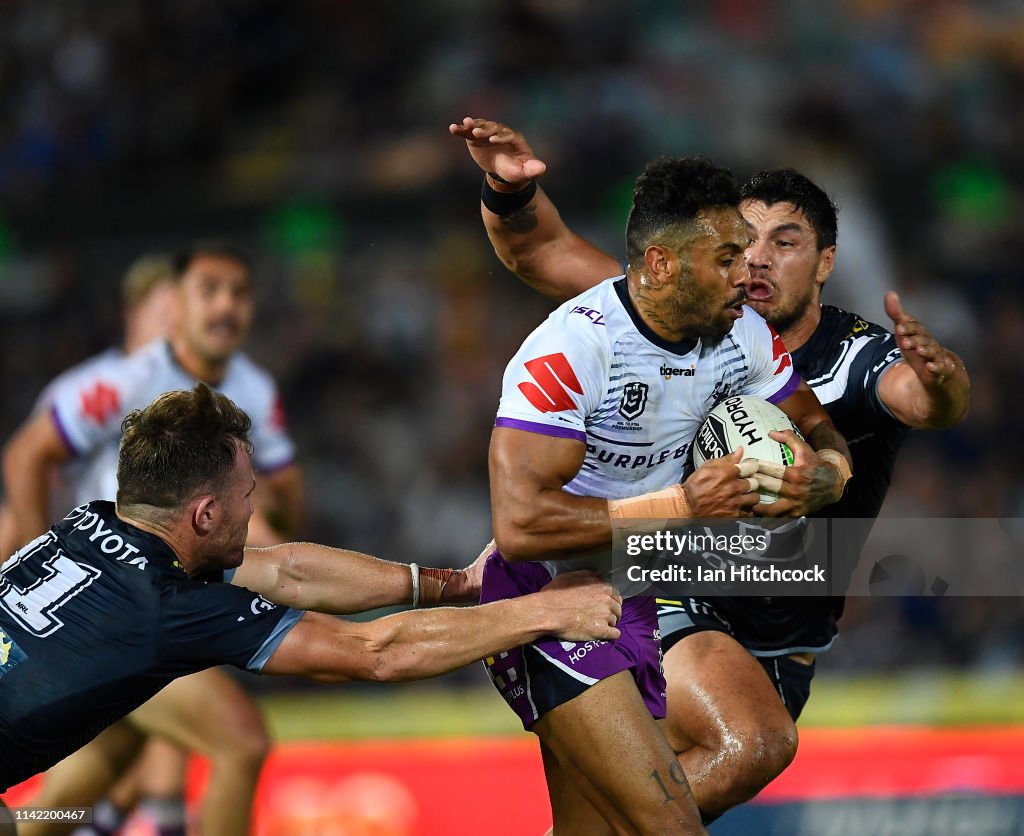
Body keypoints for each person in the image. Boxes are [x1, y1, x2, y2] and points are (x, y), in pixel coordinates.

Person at [451, 116, 971, 822]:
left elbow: (920, 402)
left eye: (778, 245)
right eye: (738, 245)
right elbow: (543, 250)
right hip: (628, 584)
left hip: (783, 636)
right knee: (732, 759)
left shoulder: (812, 348)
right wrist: (506, 192)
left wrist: (840, 463)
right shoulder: (642, 316)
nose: (751, 265)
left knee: (635, 803)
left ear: (824, 261)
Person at [0, 384, 623, 836]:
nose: (253, 511)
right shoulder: (170, 607)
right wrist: (542, 615)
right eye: (246, 496)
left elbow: (286, 569)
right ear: (204, 515)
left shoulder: (92, 526)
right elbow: (374, 653)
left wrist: (456, 584)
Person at [475, 150, 852, 834]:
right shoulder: (572, 351)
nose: (749, 275)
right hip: (552, 596)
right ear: (662, 265)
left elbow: (815, 424)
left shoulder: (741, 334)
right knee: (695, 797)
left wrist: (826, 473)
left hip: (649, 582)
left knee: (608, 818)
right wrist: (681, 506)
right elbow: (522, 527)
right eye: (728, 258)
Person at [1, 243, 304, 836]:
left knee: (114, 755)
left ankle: (42, 827)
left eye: (239, 294)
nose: (226, 308)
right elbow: (26, 453)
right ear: (175, 307)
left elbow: (281, 503)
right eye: (209, 292)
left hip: (168, 596)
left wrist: (273, 502)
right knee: (238, 742)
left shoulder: (255, 389)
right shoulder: (125, 380)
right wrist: (35, 556)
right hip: (119, 603)